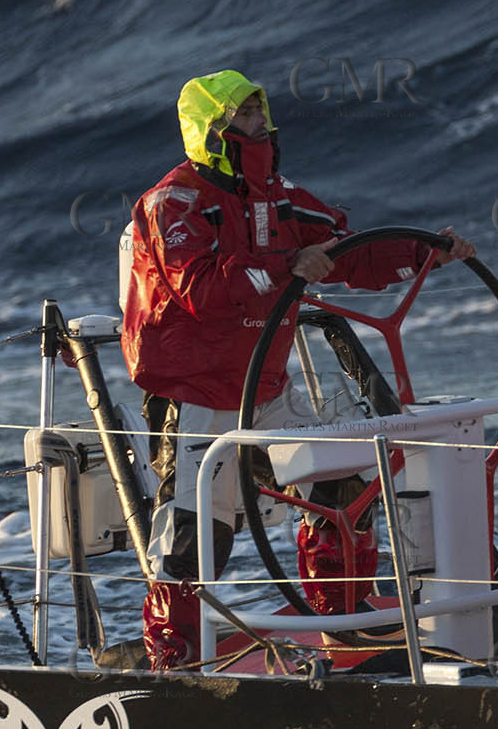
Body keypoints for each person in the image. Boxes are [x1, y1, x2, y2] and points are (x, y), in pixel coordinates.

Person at [121, 69, 475, 670]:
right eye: (248, 115)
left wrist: (422, 253)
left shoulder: (277, 196)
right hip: (197, 398)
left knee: (340, 484)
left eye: (262, 111)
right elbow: (202, 288)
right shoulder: (171, 203)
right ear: (213, 130)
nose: (263, 123)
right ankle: (172, 658)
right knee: (196, 533)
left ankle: (344, 625)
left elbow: (344, 247)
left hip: (268, 387)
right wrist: (291, 264)